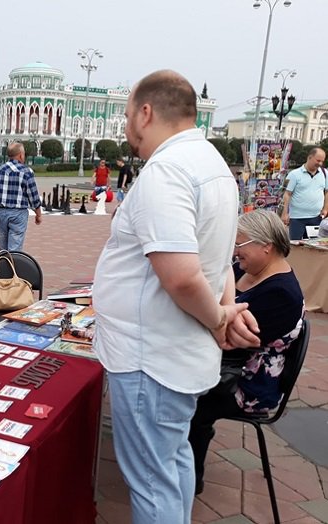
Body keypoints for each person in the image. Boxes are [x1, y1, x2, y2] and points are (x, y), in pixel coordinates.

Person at [93, 70, 260, 524]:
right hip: (172, 353)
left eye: (128, 118)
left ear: (146, 113)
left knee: (151, 482)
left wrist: (218, 317)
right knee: (171, 463)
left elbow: (183, 278)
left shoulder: (167, 170)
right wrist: (219, 313)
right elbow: (221, 257)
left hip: (152, 356)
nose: (127, 132)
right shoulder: (213, 166)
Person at [188, 210, 304, 495]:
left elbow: (230, 339)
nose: (234, 251)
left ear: (267, 245)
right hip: (232, 364)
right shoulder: (250, 269)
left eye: (240, 244)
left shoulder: (281, 294)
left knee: (190, 399)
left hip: (248, 383)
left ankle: (190, 478)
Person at [0, 142, 42, 251]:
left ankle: (3, 265)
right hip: (18, 213)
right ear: (21, 155)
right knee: (15, 247)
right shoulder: (26, 172)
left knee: (3, 246)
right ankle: (13, 266)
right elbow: (33, 195)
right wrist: (38, 214)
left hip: (1, 212)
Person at [280, 147, 328, 240]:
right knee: (294, 245)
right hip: (296, 218)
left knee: (314, 247)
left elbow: (327, 192)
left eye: (322, 161)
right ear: (309, 157)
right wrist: (284, 213)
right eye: (318, 160)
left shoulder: (325, 173)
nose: (320, 164)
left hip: (316, 217)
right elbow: (286, 194)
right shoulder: (293, 174)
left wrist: (325, 209)